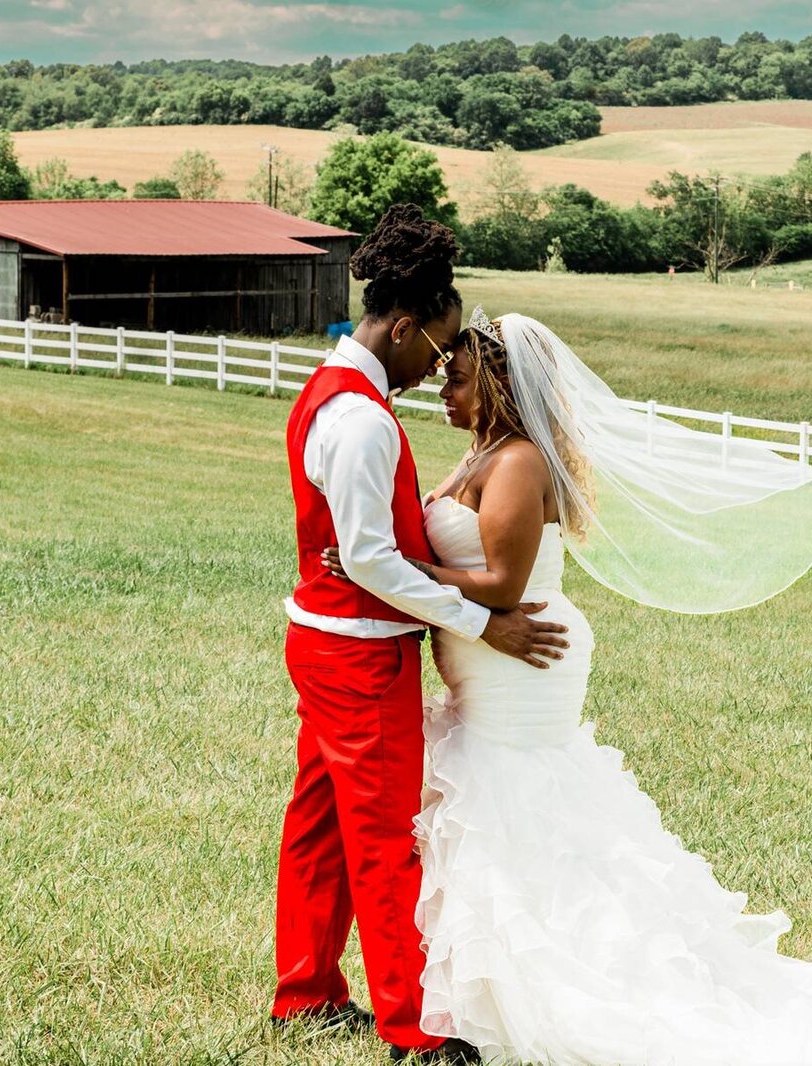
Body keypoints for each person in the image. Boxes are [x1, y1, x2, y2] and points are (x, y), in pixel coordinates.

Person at [323, 308, 812, 1064]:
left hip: (520, 657)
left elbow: (502, 583)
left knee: (519, 809)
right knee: (502, 810)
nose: (444, 388)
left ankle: (561, 974)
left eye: (458, 377)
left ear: (499, 383)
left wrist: (393, 576)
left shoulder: (519, 464)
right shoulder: (480, 453)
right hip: (486, 663)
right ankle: (466, 985)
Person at [274, 206, 568, 1065]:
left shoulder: (338, 393)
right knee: (385, 835)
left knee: (321, 824)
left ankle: (306, 993)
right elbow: (370, 560)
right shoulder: (362, 420)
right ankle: (416, 1027)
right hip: (358, 648)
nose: (438, 369)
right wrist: (486, 622)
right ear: (402, 327)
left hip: (330, 638)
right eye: (436, 352)